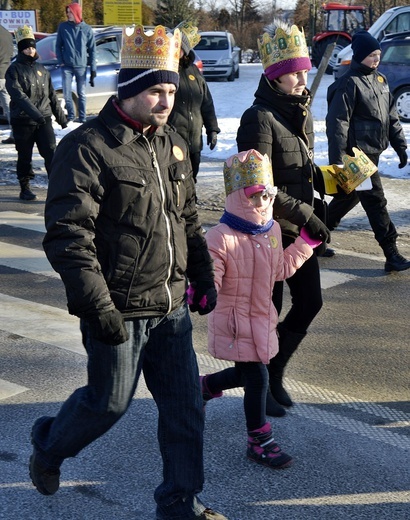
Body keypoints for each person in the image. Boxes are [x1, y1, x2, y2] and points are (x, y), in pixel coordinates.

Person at [28, 24, 227, 520]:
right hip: (118, 308)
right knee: (108, 404)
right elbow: (69, 235)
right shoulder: (88, 147)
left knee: (186, 412)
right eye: (156, 91)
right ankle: (50, 445)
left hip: (171, 308)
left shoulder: (172, 143)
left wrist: (201, 275)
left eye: (171, 91)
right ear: (130, 89)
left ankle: (180, 503)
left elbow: (185, 218)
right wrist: (98, 308)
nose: (166, 101)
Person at [199, 149, 320, 469]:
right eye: (255, 196)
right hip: (236, 320)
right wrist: (203, 290)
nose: (264, 202)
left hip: (262, 318)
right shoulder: (220, 237)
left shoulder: (273, 231)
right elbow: (211, 277)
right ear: (239, 196)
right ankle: (259, 440)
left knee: (246, 373)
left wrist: (305, 244)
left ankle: (205, 387)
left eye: (269, 195)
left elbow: (279, 270)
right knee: (256, 377)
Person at [236, 19, 328, 417]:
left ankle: (276, 369)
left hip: (300, 230)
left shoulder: (300, 111)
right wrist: (305, 211)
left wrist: (329, 178)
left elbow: (297, 167)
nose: (303, 78)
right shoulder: (257, 118)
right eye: (295, 73)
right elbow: (257, 187)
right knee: (267, 316)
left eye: (306, 70)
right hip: (269, 233)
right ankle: (261, 391)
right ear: (275, 76)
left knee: (310, 302)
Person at [326, 30, 410, 273]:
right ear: (360, 55)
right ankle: (391, 253)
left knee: (347, 197)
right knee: (376, 202)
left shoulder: (380, 80)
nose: (376, 59)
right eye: (372, 55)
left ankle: (315, 237)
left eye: (378, 55)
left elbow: (391, 118)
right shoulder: (349, 83)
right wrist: (338, 161)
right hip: (356, 156)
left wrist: (400, 146)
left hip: (373, 151)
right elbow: (337, 124)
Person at [5, 25, 67, 201]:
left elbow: (51, 95)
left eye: (32, 47)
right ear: (21, 49)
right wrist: (35, 115)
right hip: (23, 120)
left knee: (51, 153)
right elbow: (18, 96)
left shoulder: (42, 69)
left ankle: (56, 187)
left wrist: (60, 117)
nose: (30, 50)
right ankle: (25, 187)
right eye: (26, 47)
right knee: (25, 156)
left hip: (44, 119)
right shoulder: (14, 70)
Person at [168, 21, 220, 183]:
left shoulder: (194, 71)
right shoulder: (166, 69)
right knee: (176, 178)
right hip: (172, 138)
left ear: (185, 49)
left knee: (192, 175)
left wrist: (212, 129)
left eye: (178, 46)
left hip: (194, 139)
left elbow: (206, 102)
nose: (175, 49)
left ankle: (191, 202)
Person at [56, 2, 96, 123]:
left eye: (70, 12)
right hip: (66, 66)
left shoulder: (87, 29)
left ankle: (82, 118)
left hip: (81, 66)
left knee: (81, 93)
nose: (68, 14)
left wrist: (93, 69)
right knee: (67, 94)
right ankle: (71, 117)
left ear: (76, 13)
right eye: (67, 12)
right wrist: (61, 61)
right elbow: (58, 46)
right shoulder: (63, 27)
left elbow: (93, 50)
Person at [0, 24, 15, 144]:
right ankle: (14, 134)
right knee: (9, 107)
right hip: (5, 72)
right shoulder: (7, 34)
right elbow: (11, 53)